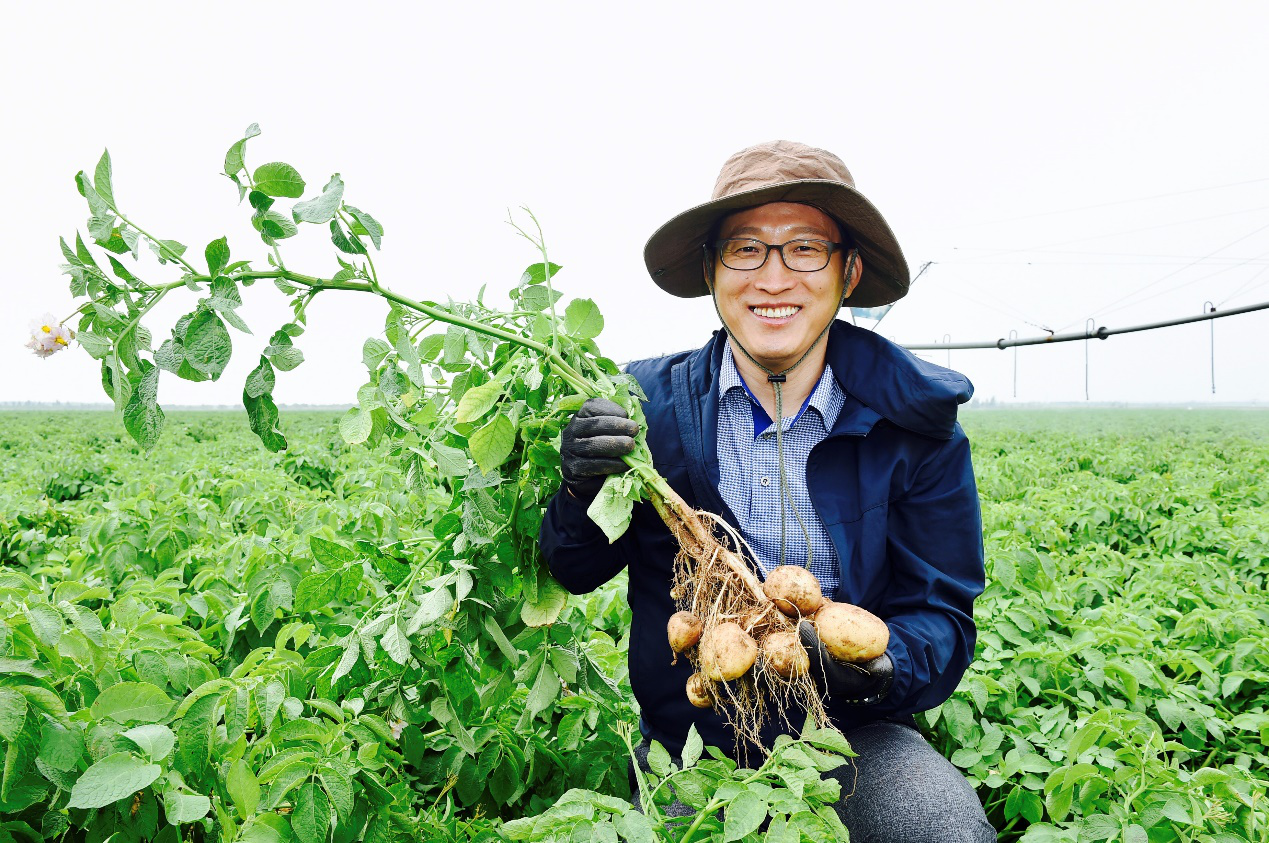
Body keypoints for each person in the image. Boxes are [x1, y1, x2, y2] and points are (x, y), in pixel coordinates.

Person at [539, 140, 995, 841]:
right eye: (745, 249)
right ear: (710, 270)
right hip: (690, 738)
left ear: (848, 270)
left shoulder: (916, 428)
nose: (773, 277)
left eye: (804, 248)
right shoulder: (643, 407)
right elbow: (571, 570)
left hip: (853, 738)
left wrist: (874, 668)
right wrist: (577, 489)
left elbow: (942, 615)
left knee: (938, 827)